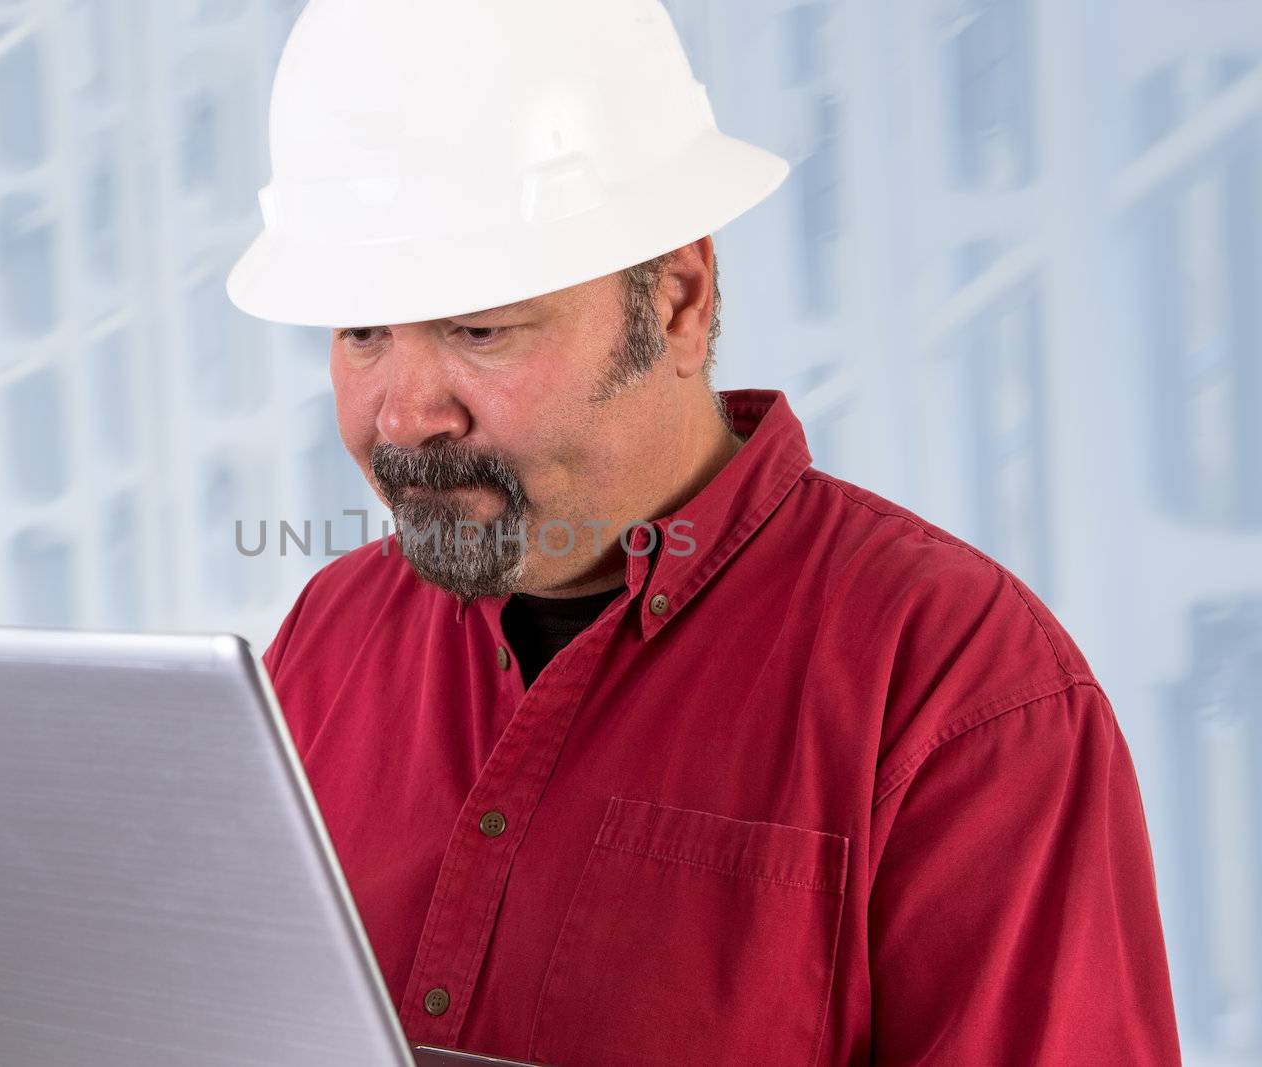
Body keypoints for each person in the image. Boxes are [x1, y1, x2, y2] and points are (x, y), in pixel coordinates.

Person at [227, 2, 1182, 1063]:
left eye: (477, 328)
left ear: (677, 300)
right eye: (363, 331)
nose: (404, 416)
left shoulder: (955, 682)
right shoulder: (334, 629)